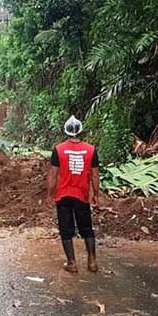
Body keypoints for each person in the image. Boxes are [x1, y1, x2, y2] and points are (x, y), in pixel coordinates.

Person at [46, 116, 100, 273]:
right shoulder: (91, 150)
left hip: (63, 196)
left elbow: (53, 174)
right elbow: (95, 175)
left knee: (66, 228)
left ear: (66, 131)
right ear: (80, 130)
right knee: (86, 228)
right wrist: (96, 194)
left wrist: (50, 195)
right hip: (82, 195)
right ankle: (92, 262)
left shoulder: (58, 149)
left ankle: (72, 263)